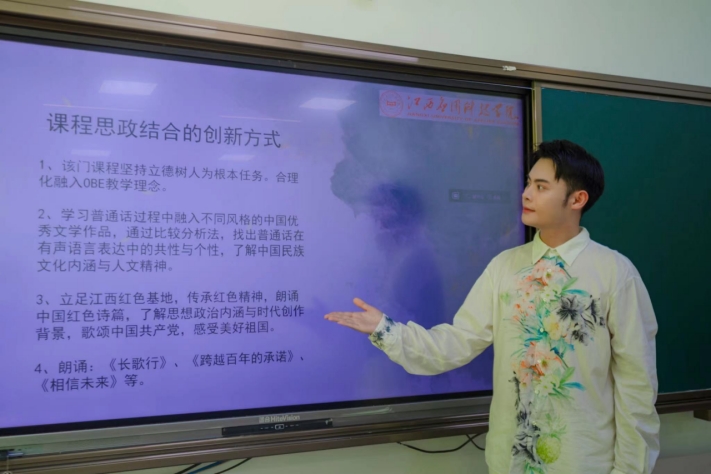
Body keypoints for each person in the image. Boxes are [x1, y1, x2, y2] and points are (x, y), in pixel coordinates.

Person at [325, 140, 659, 474]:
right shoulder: (504, 267)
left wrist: (630, 469)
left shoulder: (614, 273)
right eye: (528, 183)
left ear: (577, 199)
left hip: (585, 463)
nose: (526, 194)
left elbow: (637, 384)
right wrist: (385, 330)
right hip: (509, 461)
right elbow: (457, 342)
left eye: (541, 187)